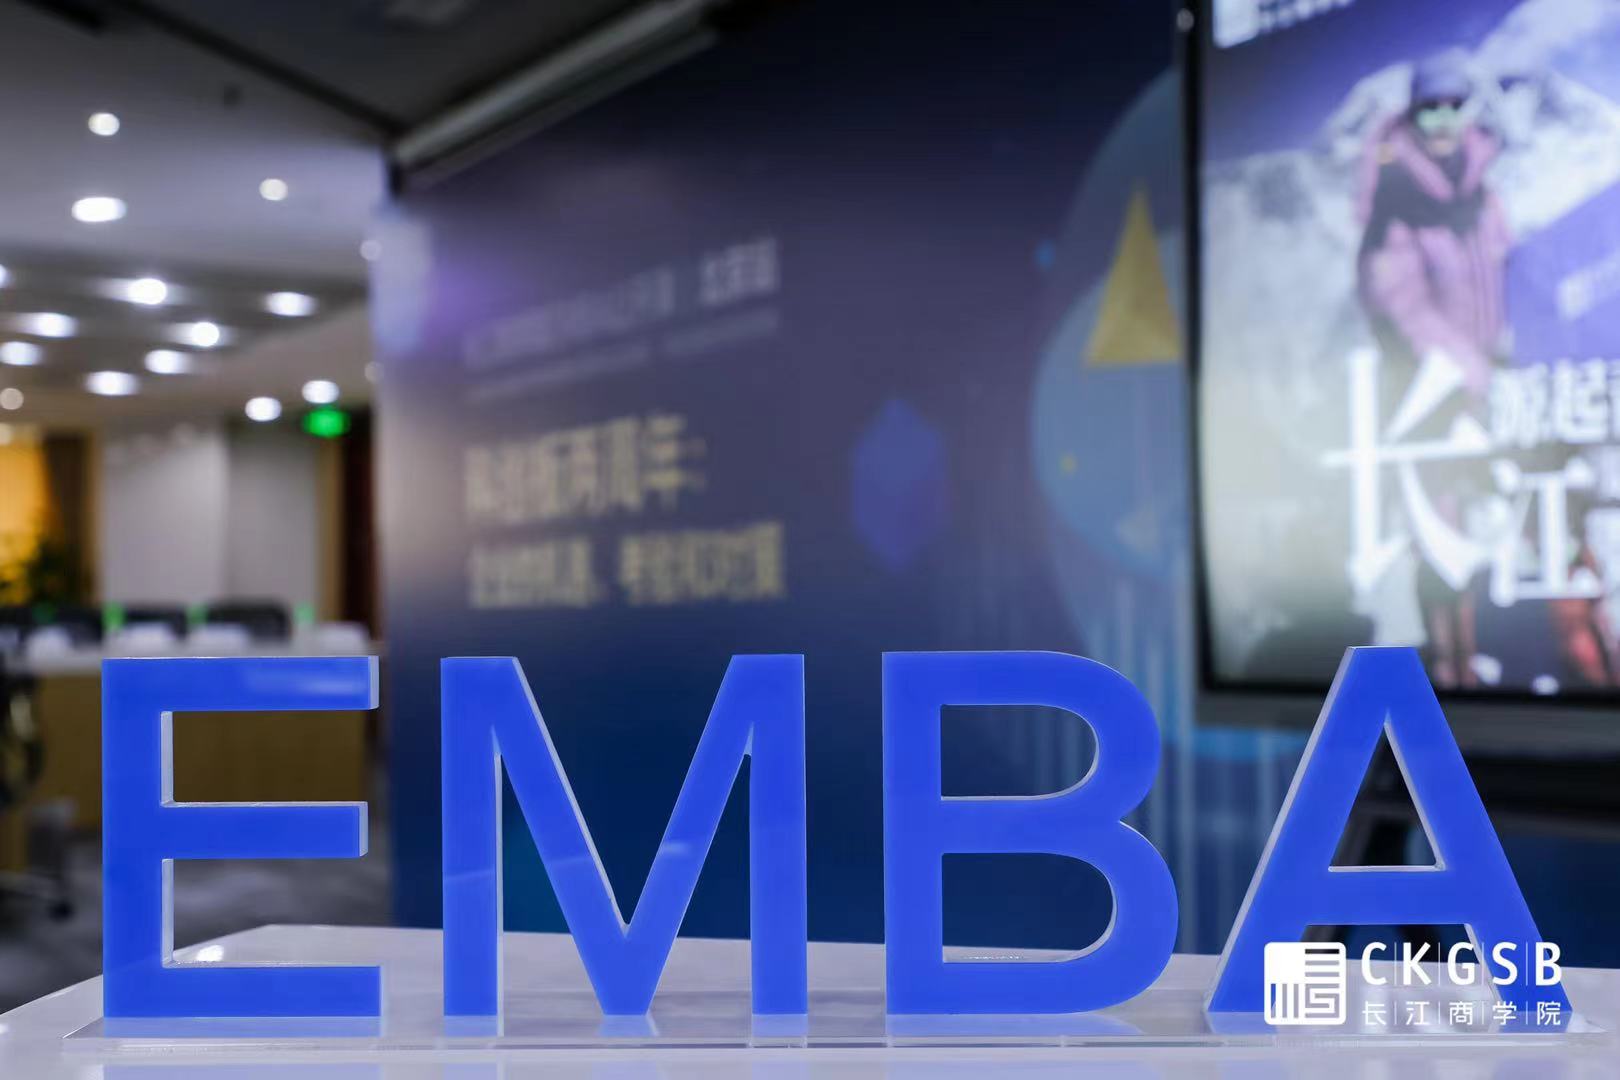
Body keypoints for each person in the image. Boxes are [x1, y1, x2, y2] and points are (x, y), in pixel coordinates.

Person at [1356, 50, 1509, 688]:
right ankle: (1447, 678)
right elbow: (1400, 303)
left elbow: (1505, 274)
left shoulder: (1482, 191)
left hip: (1488, 388)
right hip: (1427, 397)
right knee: (1439, 531)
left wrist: (1502, 357)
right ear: (1412, 114)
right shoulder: (1392, 199)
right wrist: (1467, 370)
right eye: (1430, 109)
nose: (1444, 121)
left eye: (1455, 106)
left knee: (1493, 524)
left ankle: (1478, 665)